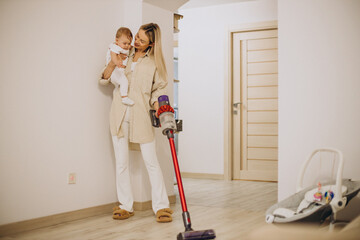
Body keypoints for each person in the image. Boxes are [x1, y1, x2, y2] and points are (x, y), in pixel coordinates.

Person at [99, 23, 173, 223]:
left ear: (152, 43)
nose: (136, 41)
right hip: (119, 116)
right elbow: (104, 79)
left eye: (141, 40)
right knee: (121, 163)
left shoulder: (154, 63)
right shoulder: (124, 52)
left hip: (141, 116)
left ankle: (162, 207)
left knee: (152, 162)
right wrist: (114, 63)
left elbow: (158, 90)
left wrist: (160, 106)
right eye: (137, 37)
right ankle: (125, 205)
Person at [106, 27, 134, 106]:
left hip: (119, 70)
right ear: (117, 40)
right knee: (124, 81)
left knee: (123, 82)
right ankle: (124, 98)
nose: (127, 46)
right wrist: (117, 62)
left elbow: (129, 47)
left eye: (129, 43)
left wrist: (131, 46)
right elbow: (113, 55)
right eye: (125, 43)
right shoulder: (115, 47)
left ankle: (123, 95)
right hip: (114, 71)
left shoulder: (123, 46)